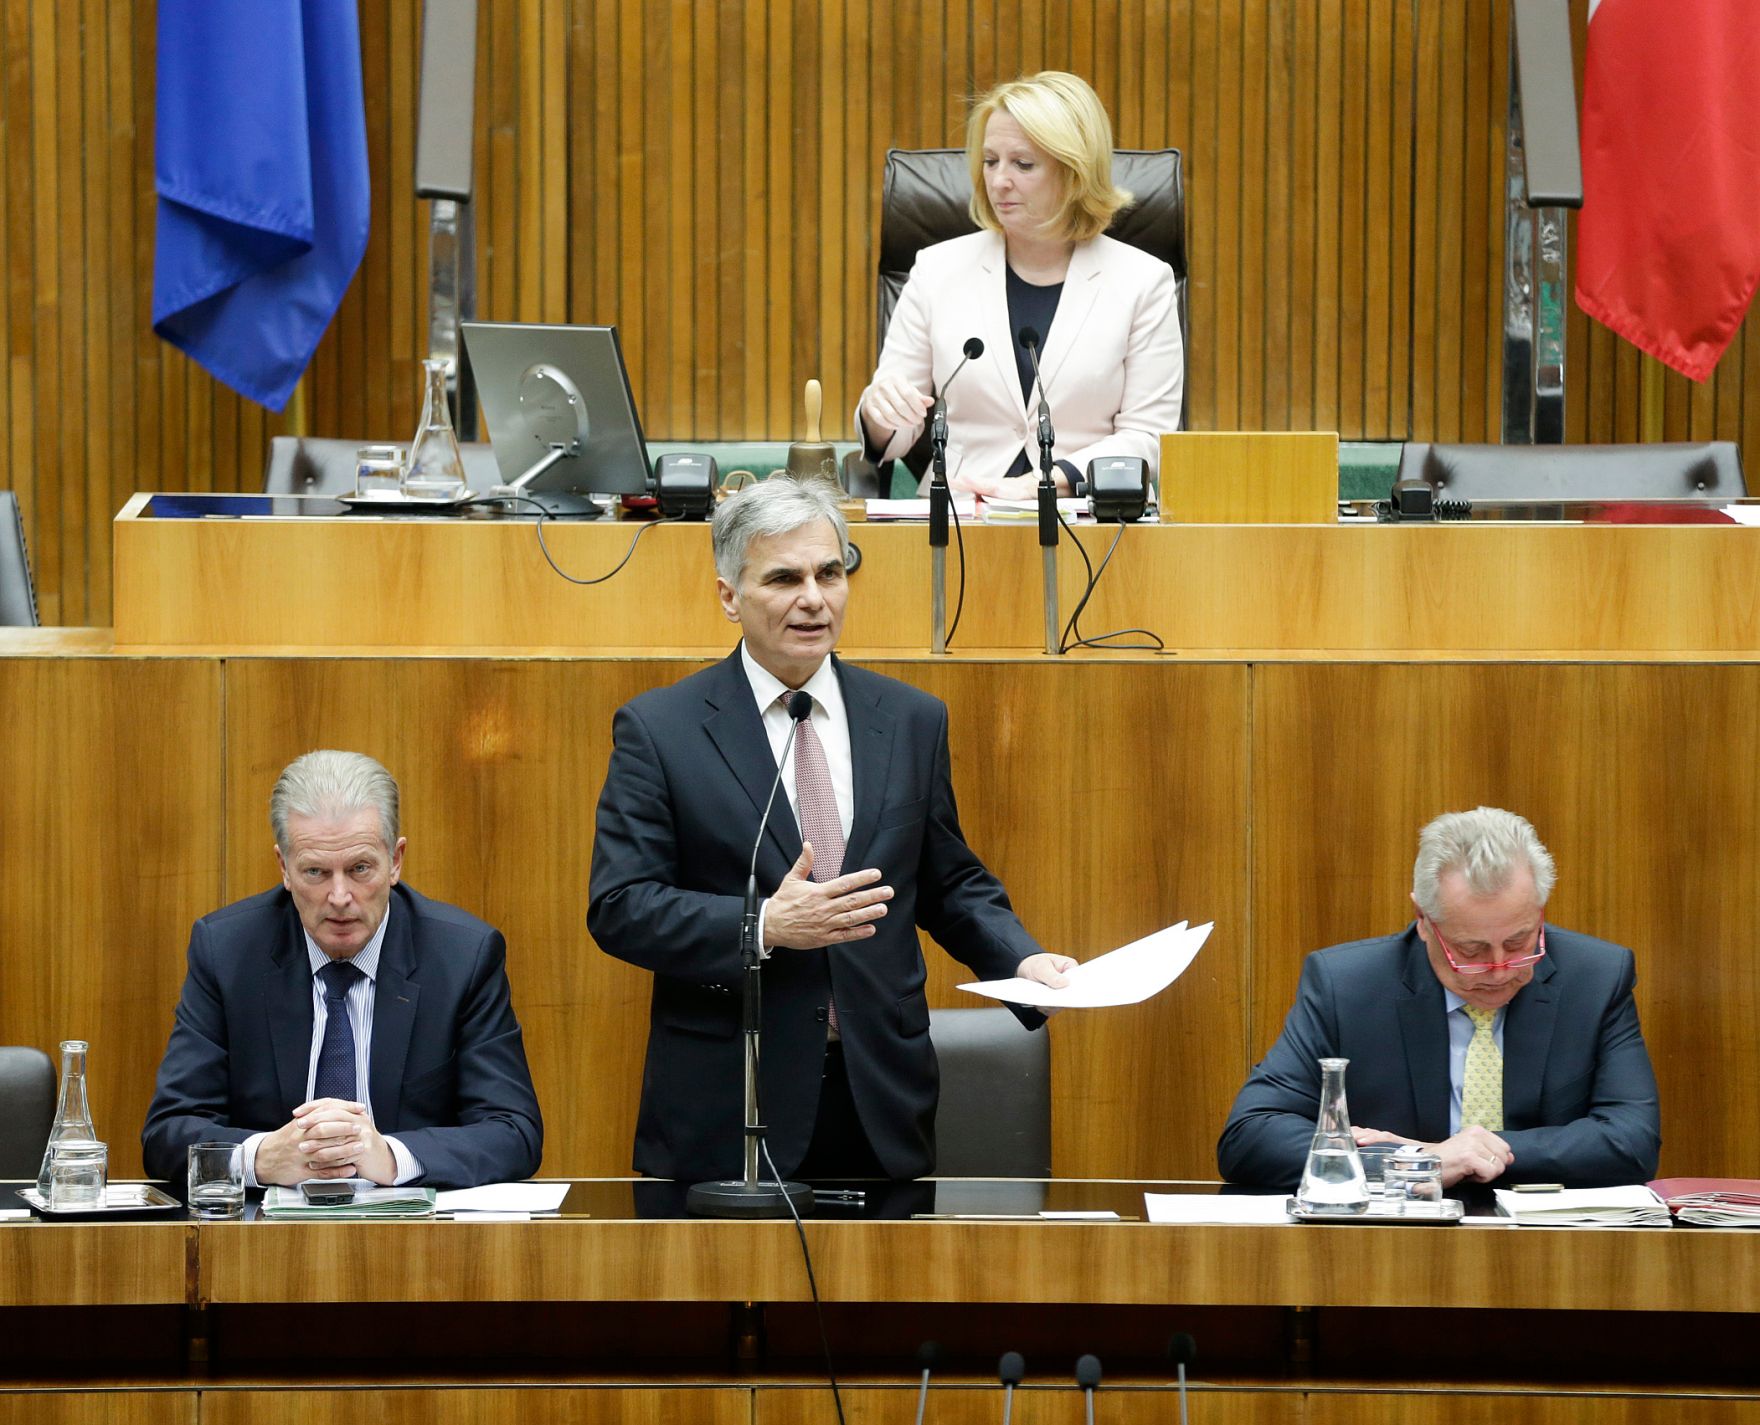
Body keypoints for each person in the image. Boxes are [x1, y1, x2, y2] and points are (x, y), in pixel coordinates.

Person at [588, 478, 1074, 1181]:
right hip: (732, 1101)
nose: (813, 598)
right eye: (784, 577)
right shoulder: (662, 730)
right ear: (729, 595)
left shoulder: (909, 719)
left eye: (830, 572)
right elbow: (620, 906)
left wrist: (1021, 961)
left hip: (881, 1093)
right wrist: (764, 923)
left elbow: (948, 880)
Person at [142, 750, 543, 1190]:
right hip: (261, 1243)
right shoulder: (228, 951)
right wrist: (260, 1158)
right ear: (284, 868)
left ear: (395, 860)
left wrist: (388, 1156)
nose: (339, 896)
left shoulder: (462, 956)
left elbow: (513, 1133)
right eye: (315, 871)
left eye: (359, 869)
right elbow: (167, 1133)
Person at [1217, 807, 1661, 1190]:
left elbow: (1631, 1141)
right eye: (1470, 951)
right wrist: (1415, 1162)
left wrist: (1472, 1155)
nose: (1500, 968)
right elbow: (1251, 1137)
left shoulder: (1596, 977)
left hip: (1551, 1256)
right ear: (1424, 920)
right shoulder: (1347, 985)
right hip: (1388, 1254)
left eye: (1520, 941)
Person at [856, 70, 1183, 498]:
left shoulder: (1143, 282)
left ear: (1074, 172)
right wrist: (881, 412)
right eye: (990, 161)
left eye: (1023, 164)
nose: (998, 181)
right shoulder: (937, 270)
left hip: (1086, 521)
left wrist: (1040, 485)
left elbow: (1147, 438)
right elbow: (894, 434)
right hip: (957, 515)